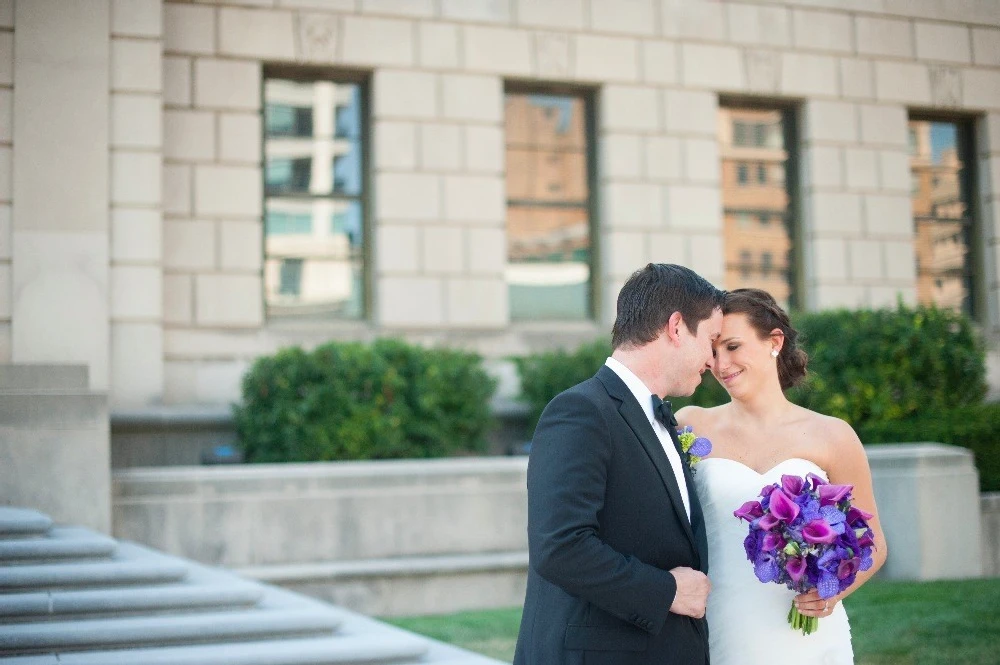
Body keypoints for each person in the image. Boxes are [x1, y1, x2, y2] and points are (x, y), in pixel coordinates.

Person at [514, 263, 726, 665]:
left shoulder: (661, 418)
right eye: (711, 340)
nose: (713, 360)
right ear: (676, 327)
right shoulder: (581, 411)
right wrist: (667, 591)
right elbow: (560, 547)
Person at [677, 288, 889, 665]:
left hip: (807, 637)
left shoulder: (833, 435)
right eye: (713, 350)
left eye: (733, 346)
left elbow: (873, 546)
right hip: (720, 625)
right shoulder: (691, 424)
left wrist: (829, 593)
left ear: (774, 342)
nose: (720, 364)